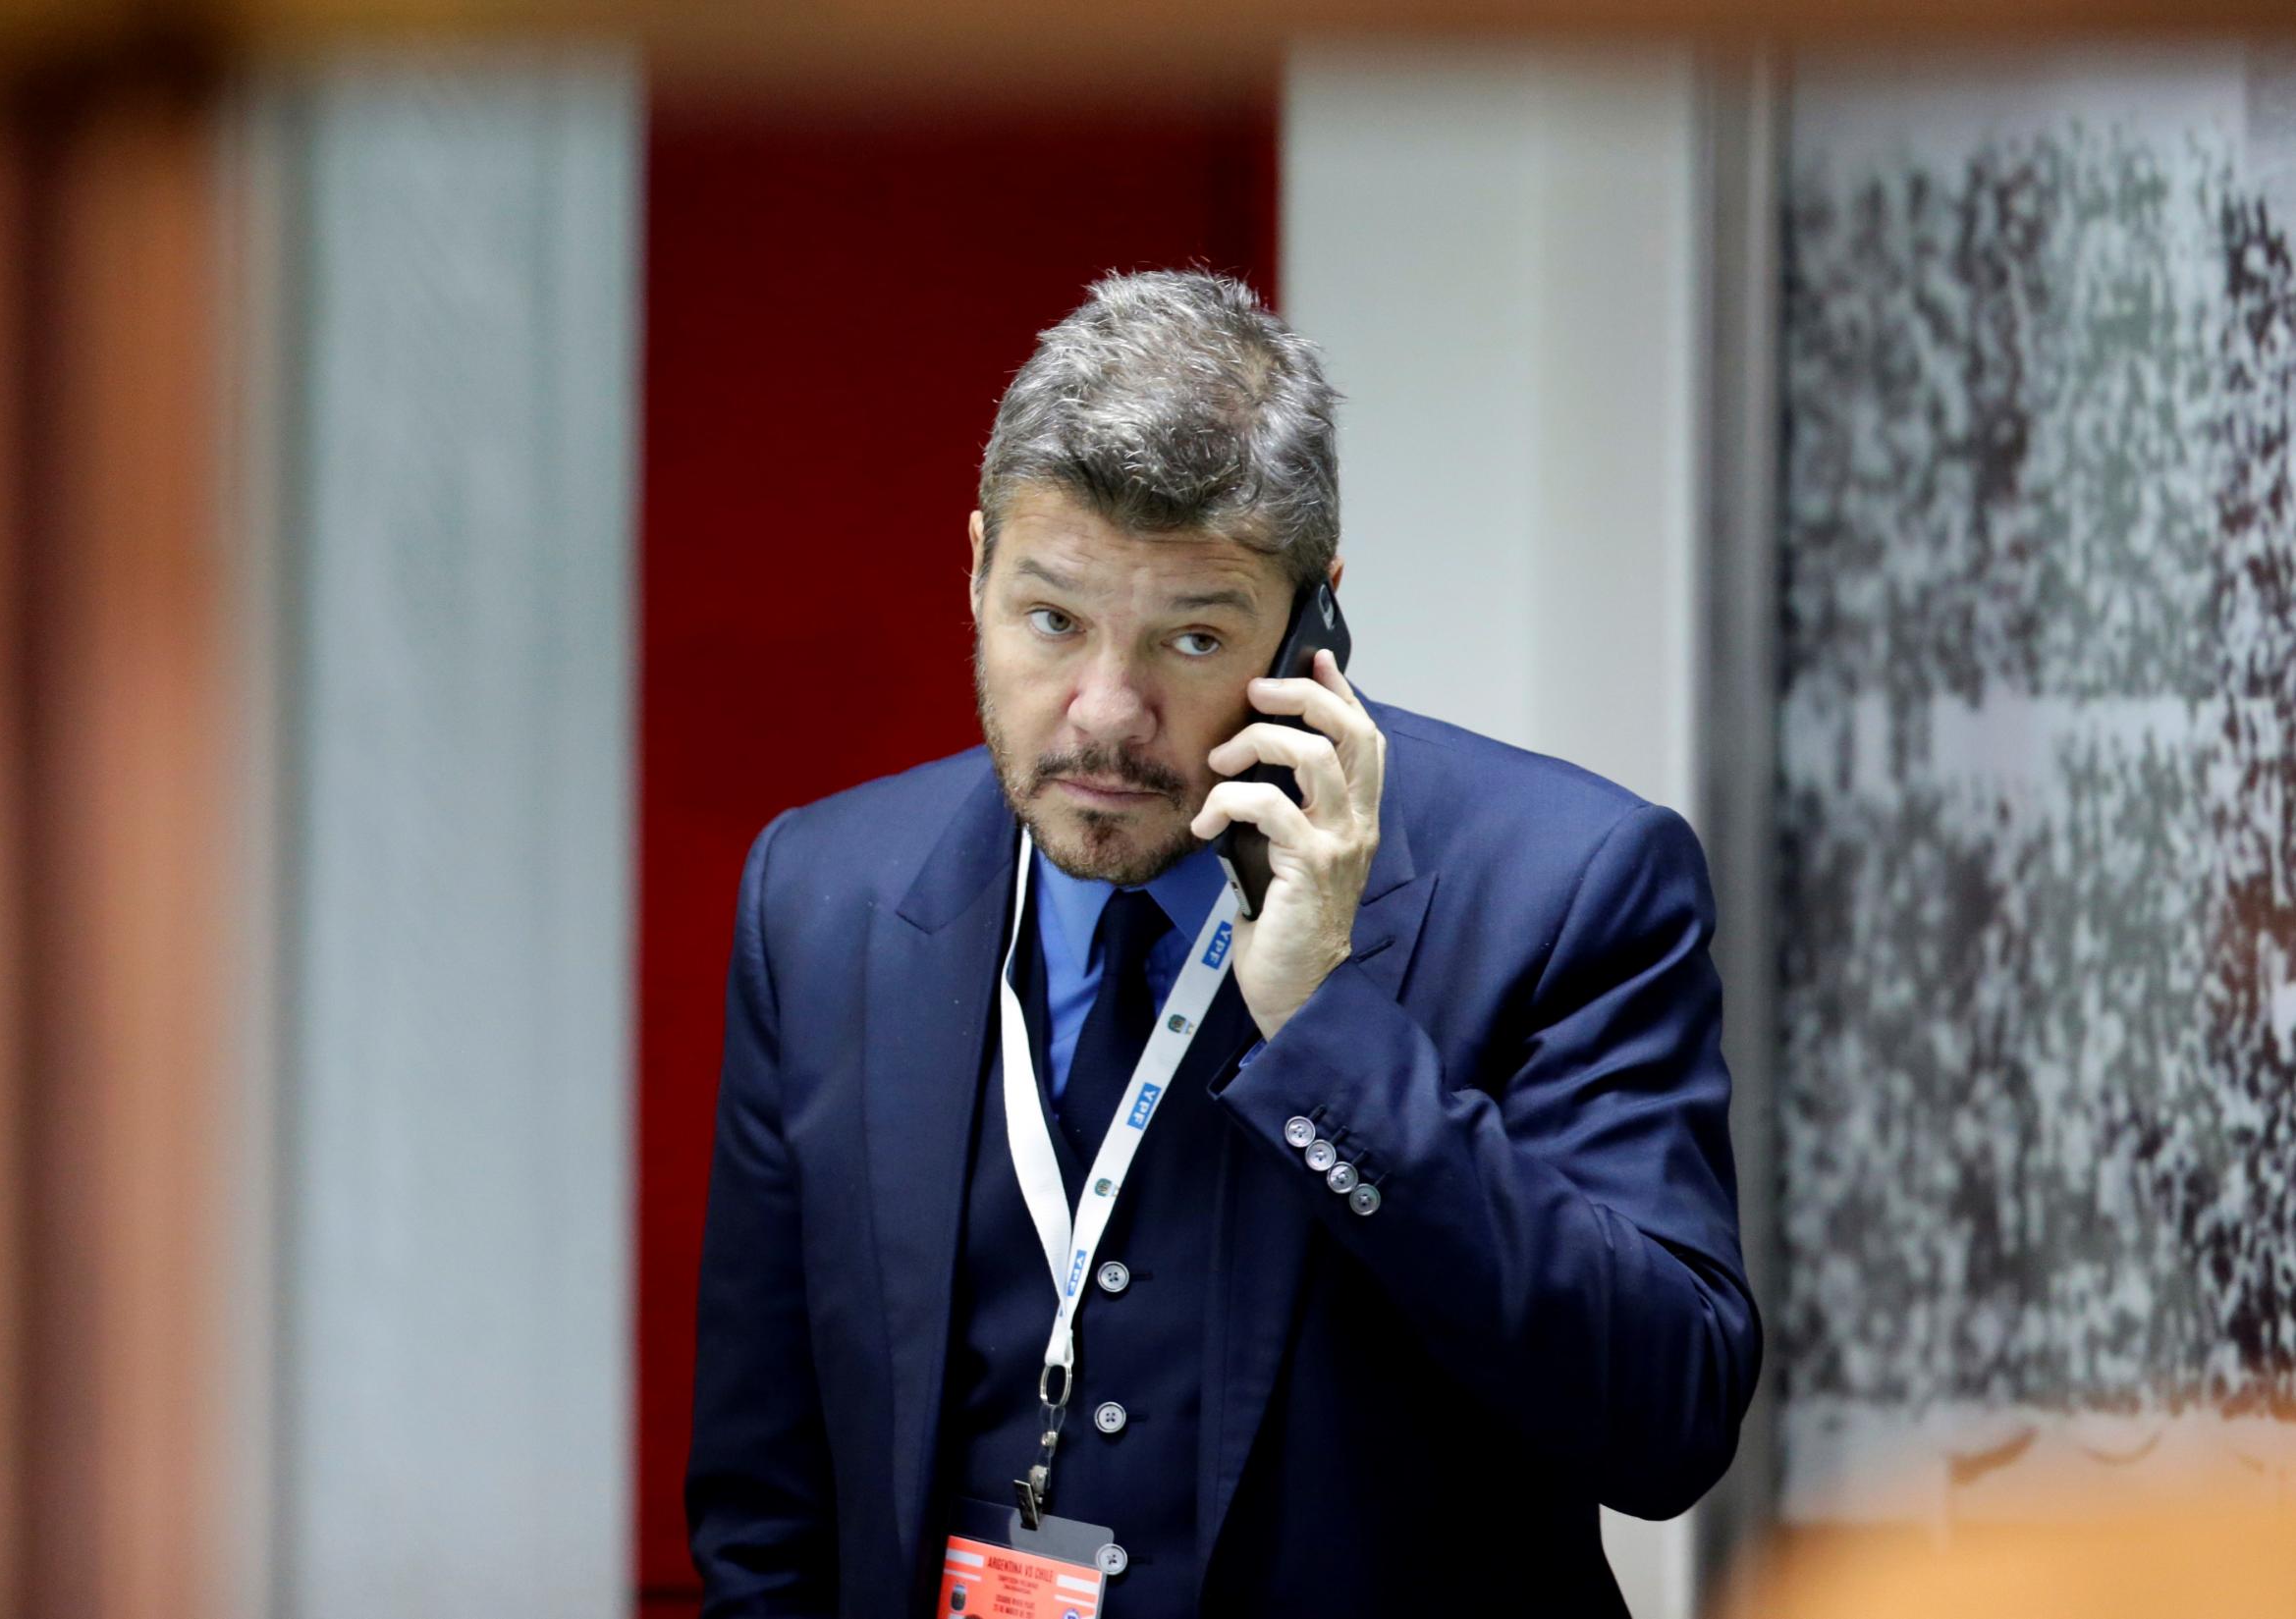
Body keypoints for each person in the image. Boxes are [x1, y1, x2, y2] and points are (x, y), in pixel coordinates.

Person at [684, 269, 1759, 1617]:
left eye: (1192, 638)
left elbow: (1668, 1423)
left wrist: (1328, 1027)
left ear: (1314, 623)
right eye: (1052, 619)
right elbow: (766, 1509)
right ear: (974, 568)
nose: (1105, 712)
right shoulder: (820, 896)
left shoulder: (1569, 883)